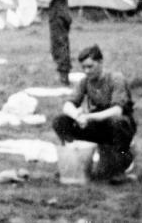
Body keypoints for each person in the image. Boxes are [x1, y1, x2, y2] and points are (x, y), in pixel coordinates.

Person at [51, 45, 137, 184]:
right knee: (60, 121)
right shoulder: (85, 81)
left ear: (101, 62)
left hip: (121, 126)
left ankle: (120, 168)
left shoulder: (115, 79)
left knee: (117, 122)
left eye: (90, 66)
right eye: (84, 67)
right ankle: (73, 162)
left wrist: (88, 117)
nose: (87, 71)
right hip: (98, 124)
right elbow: (68, 105)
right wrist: (76, 115)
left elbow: (117, 110)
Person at [38, 0, 72, 86]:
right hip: (64, 12)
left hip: (57, 14)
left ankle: (64, 76)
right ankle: (64, 73)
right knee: (63, 43)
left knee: (59, 45)